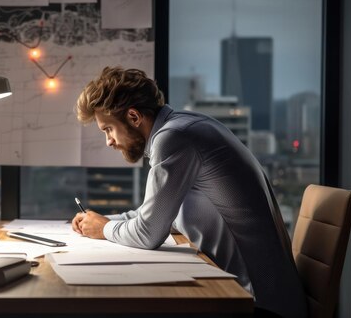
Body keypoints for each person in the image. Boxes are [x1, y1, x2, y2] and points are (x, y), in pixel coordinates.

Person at [71, 66, 308, 318]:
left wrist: (104, 229)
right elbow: (154, 215)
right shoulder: (185, 126)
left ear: (133, 116)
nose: (109, 141)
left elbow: (148, 233)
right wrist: (101, 222)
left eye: (108, 129)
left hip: (256, 304)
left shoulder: (173, 138)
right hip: (249, 294)